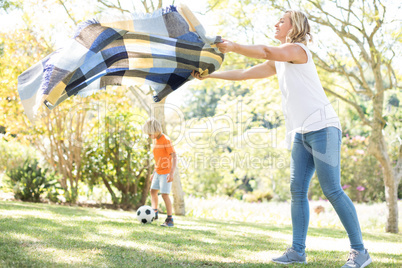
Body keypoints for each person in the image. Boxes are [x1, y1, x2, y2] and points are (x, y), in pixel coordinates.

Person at [192, 10, 372, 268]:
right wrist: (209, 76)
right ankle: (297, 251)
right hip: (301, 133)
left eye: (281, 20)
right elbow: (245, 74)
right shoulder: (280, 61)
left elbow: (266, 51)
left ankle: (360, 251)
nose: (275, 23)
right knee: (297, 191)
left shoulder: (298, 50)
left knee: (332, 189)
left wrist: (233, 46)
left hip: (323, 128)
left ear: (294, 26)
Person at [142, 118, 177, 227]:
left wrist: (171, 173)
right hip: (158, 171)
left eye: (149, 133)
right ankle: (155, 213)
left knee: (165, 195)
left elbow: (174, 156)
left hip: (166, 172)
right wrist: (154, 172)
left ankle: (170, 219)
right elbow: (158, 158)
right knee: (153, 191)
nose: (148, 135)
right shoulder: (155, 140)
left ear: (156, 129)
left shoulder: (165, 140)